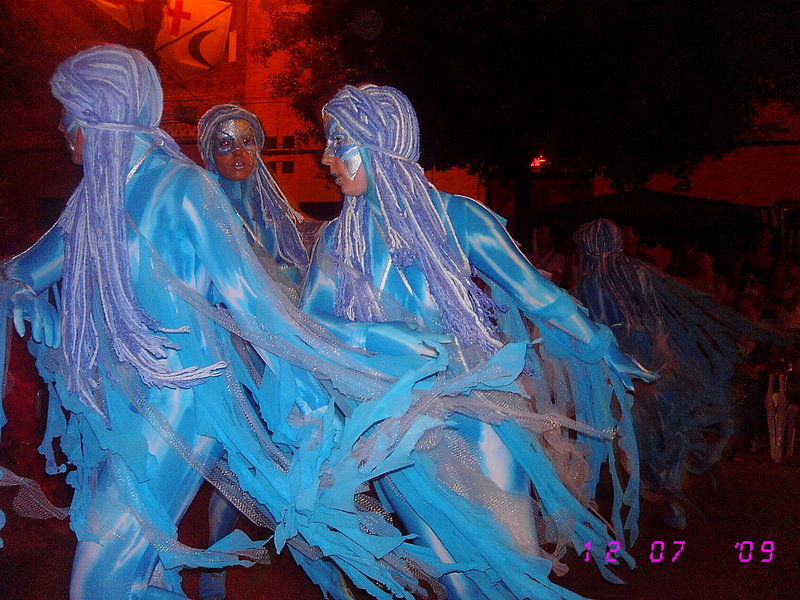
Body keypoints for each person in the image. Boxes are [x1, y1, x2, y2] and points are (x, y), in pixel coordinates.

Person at [0, 47, 454, 600]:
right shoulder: (93, 201)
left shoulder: (181, 187)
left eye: (68, 114)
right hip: (115, 406)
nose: (62, 129)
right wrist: (20, 289)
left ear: (98, 114)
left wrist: (357, 343)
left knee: (100, 580)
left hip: (178, 401)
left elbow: (255, 302)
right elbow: (23, 270)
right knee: (132, 576)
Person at [301, 84, 649, 600]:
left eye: (339, 142)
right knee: (454, 575)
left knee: (516, 557)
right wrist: (381, 334)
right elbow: (308, 324)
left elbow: (537, 294)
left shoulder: (459, 217)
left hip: (479, 406)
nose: (326, 159)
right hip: (395, 425)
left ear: (381, 143)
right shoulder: (337, 240)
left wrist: (602, 346)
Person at [572, 219, 779, 529]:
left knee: (622, 432)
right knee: (666, 430)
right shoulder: (638, 272)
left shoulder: (589, 283)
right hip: (653, 360)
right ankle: (670, 502)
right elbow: (656, 321)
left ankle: (632, 497)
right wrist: (665, 358)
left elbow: (592, 331)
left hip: (616, 365)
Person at [195, 103, 310, 600]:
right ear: (209, 154)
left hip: (282, 356)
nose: (238, 153)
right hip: (231, 354)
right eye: (225, 144)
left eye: (247, 141)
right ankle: (215, 570)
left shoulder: (276, 215)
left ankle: (318, 562)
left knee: (295, 459)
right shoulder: (204, 209)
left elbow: (303, 265)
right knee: (235, 461)